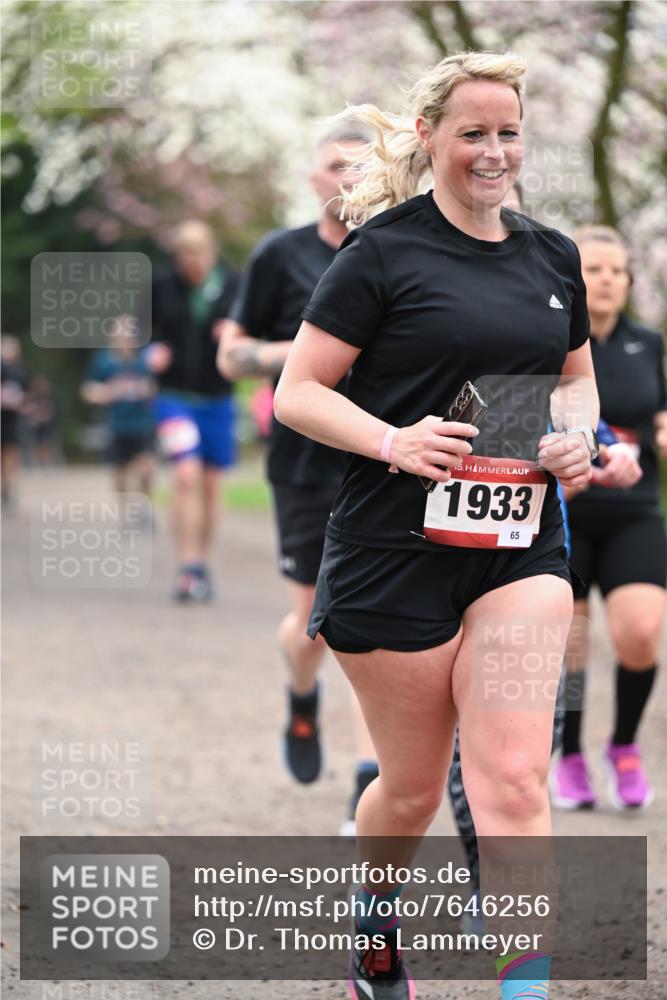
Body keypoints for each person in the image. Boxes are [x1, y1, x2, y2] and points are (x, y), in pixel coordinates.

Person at [274, 51, 599, 1000]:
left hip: (517, 548)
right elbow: (298, 393)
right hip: (393, 549)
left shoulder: (550, 255)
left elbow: (574, 380)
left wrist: (574, 439)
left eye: (507, 133)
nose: (493, 152)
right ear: (429, 138)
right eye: (472, 134)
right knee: (412, 789)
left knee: (508, 780)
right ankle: (374, 934)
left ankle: (522, 986)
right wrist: (391, 441)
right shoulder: (380, 254)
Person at [217, 126, 379, 826]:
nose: (347, 178)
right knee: (312, 628)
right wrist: (310, 350)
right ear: (312, 178)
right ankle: (302, 693)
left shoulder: (395, 249)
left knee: (366, 627)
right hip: (303, 462)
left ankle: (366, 787)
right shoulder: (277, 255)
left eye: (360, 167)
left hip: (381, 459)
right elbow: (231, 356)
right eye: (334, 166)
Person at [552, 225, 666, 811]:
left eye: (618, 270)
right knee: (569, 646)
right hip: (566, 510)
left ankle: (622, 745)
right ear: (573, 276)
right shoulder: (550, 339)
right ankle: (568, 754)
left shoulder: (648, 343)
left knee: (642, 632)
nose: (607, 280)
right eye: (595, 268)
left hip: (633, 509)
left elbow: (659, 416)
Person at [147, 221, 239, 602]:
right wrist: (150, 349)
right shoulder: (160, 285)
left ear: (211, 253)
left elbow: (255, 327)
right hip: (174, 396)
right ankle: (186, 567)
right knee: (185, 475)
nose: (193, 264)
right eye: (186, 256)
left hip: (218, 397)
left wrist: (234, 334)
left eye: (199, 255)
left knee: (212, 482)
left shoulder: (234, 284)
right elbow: (143, 329)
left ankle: (201, 562)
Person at [81, 316, 156, 502]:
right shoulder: (103, 360)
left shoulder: (145, 359)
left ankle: (144, 506)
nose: (125, 334)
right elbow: (87, 391)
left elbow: (158, 387)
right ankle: (126, 512)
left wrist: (147, 390)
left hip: (143, 423)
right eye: (121, 330)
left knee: (146, 468)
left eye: (129, 330)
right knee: (119, 471)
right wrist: (110, 391)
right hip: (116, 424)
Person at [1, 335, 30, 510]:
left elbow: (27, 394)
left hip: (13, 419)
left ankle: (11, 489)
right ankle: (4, 487)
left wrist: (19, 401)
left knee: (12, 455)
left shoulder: (21, 371)